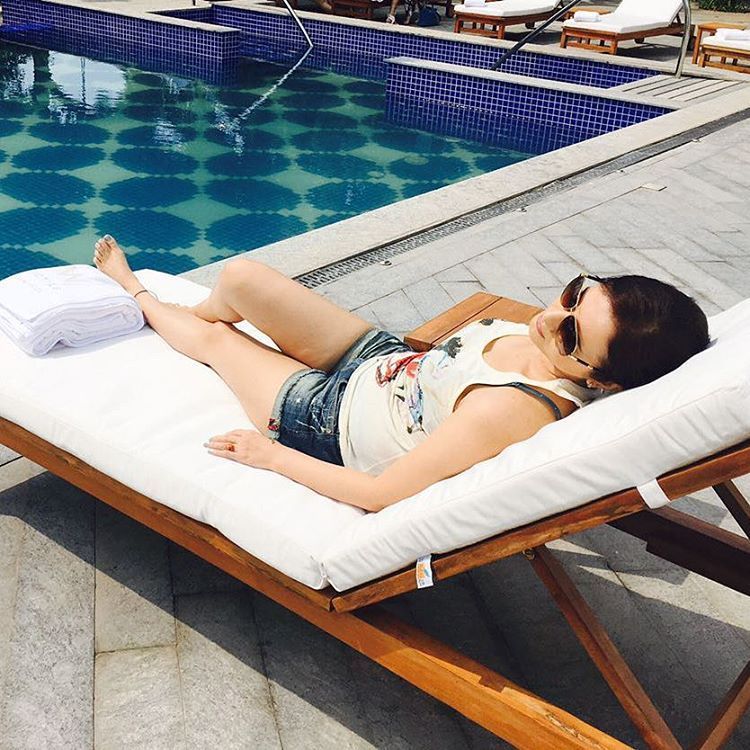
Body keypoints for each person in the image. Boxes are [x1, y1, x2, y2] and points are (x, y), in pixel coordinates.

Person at [93, 235, 709, 513]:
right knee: (241, 278)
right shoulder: (551, 340)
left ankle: (137, 292)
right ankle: (198, 310)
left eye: (572, 335)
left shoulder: (510, 408)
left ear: (600, 382)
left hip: (327, 419)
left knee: (216, 341)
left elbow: (381, 494)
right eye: (576, 294)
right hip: (379, 360)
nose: (550, 318)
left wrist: (271, 456)